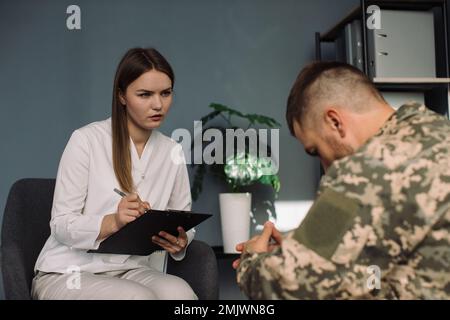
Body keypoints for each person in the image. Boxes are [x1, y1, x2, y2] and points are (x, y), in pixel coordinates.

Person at [234, 61, 450, 299]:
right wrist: (301, 244)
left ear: (335, 122)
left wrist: (252, 259)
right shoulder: (437, 130)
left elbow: (292, 284)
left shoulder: (365, 169)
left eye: (316, 151)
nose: (326, 169)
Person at [32, 47, 198, 300]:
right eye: (144, 94)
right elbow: (61, 224)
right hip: (69, 272)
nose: (158, 104)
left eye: (166, 93)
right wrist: (114, 221)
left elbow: (183, 217)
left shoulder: (172, 150)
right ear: (122, 96)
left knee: (181, 296)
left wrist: (180, 241)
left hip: (132, 269)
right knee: (136, 298)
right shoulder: (86, 140)